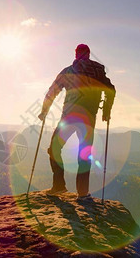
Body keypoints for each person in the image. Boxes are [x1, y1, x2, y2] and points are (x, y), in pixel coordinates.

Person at [38, 44, 116, 198]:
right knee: (84, 153)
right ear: (88, 54)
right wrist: (106, 111)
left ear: (76, 54)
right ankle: (82, 192)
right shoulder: (98, 71)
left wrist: (44, 111)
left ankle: (59, 185)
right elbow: (111, 90)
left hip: (69, 116)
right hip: (89, 117)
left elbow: (52, 91)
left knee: (54, 149)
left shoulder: (68, 71)